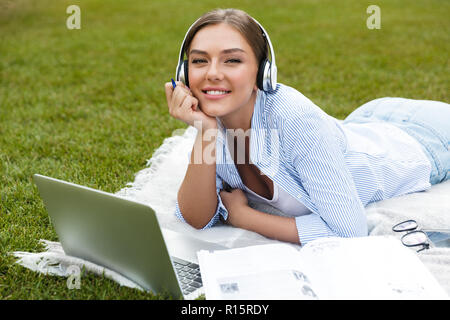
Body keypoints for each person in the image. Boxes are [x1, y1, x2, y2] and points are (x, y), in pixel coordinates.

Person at [164, 8, 450, 245]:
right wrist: (206, 132)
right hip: (367, 122)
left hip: (429, 140)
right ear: (183, 73)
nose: (212, 73)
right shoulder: (215, 122)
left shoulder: (295, 120)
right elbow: (197, 218)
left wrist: (243, 217)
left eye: (232, 60)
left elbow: (348, 231)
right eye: (200, 61)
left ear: (262, 73)